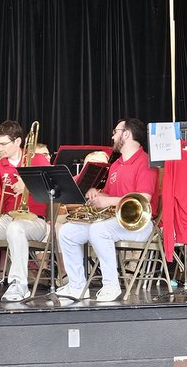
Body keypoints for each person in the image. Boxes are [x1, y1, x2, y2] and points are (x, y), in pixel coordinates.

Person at [56, 118, 158, 302]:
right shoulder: (116, 165)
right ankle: (77, 286)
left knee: (99, 229)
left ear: (126, 134)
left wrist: (107, 200)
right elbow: (108, 197)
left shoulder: (145, 162)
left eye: (115, 131)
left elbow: (144, 200)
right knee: (66, 232)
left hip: (140, 225)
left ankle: (111, 285)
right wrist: (97, 194)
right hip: (114, 222)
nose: (112, 136)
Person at [0, 120, 51, 301]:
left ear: (18, 141)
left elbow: (53, 190)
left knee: (16, 228)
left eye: (3, 144)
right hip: (8, 218)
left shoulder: (38, 160)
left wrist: (29, 184)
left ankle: (19, 284)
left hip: (36, 221)